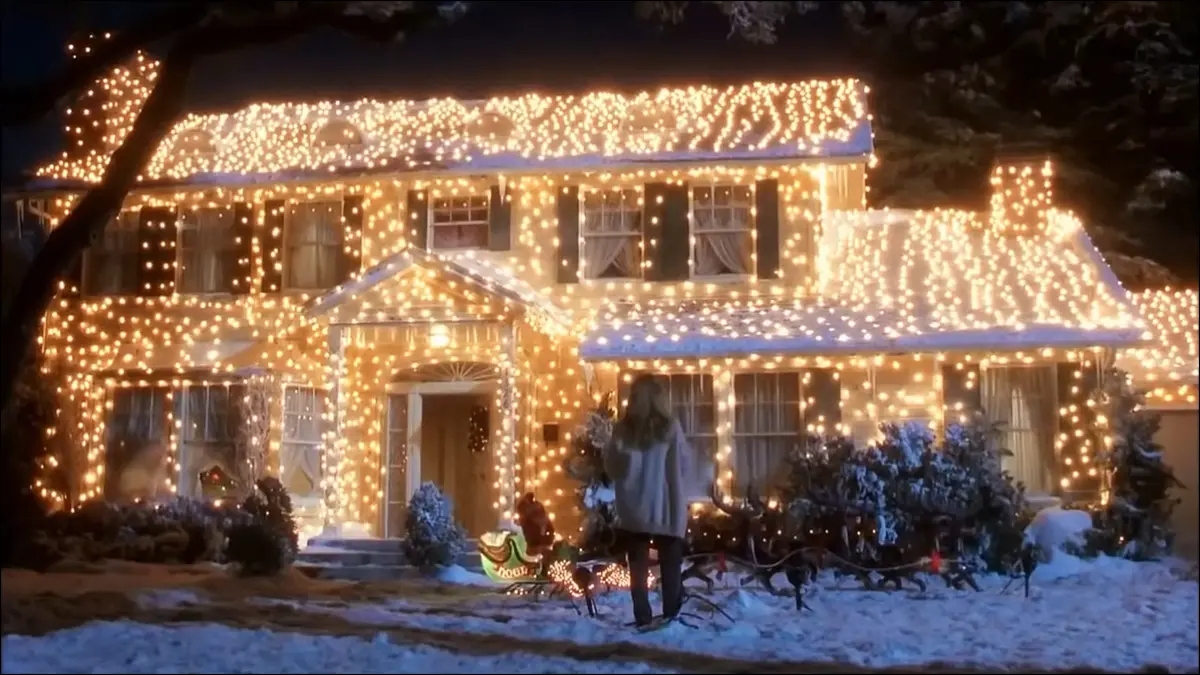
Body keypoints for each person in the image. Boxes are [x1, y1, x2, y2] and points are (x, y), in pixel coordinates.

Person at [603, 375, 693, 628]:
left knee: (638, 566)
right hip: (667, 505)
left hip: (635, 506)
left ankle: (642, 616)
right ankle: (671, 616)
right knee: (670, 562)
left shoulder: (624, 429)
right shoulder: (670, 427)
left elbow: (612, 467)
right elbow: (683, 464)